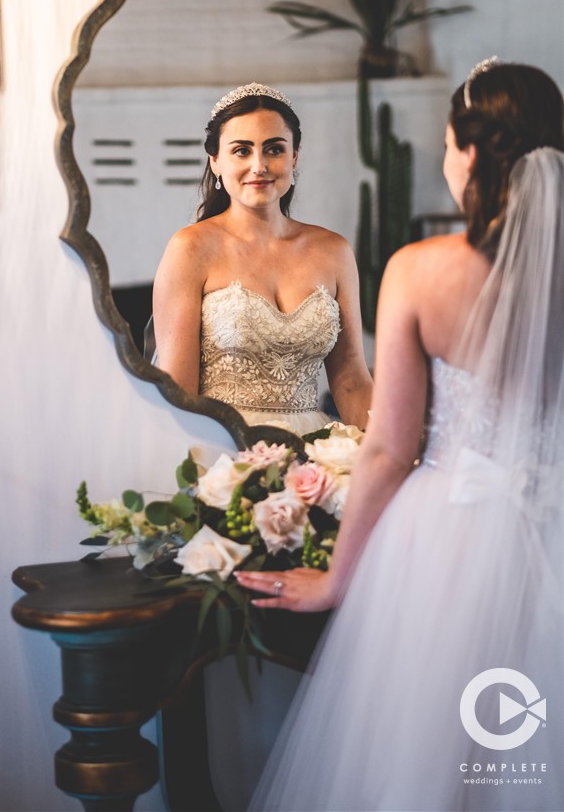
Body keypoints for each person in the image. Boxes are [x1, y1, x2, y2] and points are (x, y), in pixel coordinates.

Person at [236, 61, 564, 811]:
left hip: (446, 545)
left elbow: (388, 448)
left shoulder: (420, 271)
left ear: (471, 154)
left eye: (449, 144)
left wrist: (338, 579)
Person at [152, 82, 373, 434]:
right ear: (216, 160)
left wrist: (392, 459)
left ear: (294, 157)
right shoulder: (190, 249)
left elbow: (351, 381)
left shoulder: (334, 251)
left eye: (274, 149)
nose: (259, 166)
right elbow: (180, 395)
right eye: (241, 151)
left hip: (314, 456)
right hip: (224, 454)